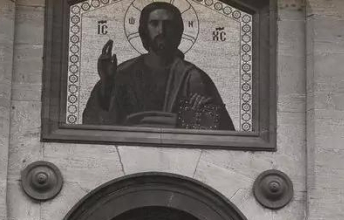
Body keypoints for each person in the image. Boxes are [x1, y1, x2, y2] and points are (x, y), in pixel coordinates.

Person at [82, 2, 234, 130]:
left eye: (168, 25)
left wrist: (193, 119)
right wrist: (107, 84)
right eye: (154, 24)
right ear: (144, 30)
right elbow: (92, 123)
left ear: (178, 31)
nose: (161, 31)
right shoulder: (123, 73)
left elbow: (223, 131)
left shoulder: (193, 78)